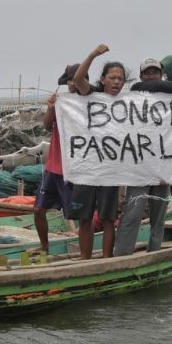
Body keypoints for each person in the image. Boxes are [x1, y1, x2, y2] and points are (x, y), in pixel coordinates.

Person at [113, 58, 172, 256]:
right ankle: (121, 255)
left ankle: (155, 254)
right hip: (140, 168)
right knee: (132, 214)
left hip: (164, 167)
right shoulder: (138, 90)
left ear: (162, 74)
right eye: (147, 72)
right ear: (141, 76)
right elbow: (156, 85)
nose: (151, 76)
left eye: (155, 72)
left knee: (159, 216)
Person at [70, 44, 126, 259]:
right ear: (103, 79)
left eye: (120, 78)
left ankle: (106, 260)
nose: (116, 82)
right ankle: (85, 260)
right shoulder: (91, 95)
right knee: (84, 217)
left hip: (110, 169)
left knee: (108, 217)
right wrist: (93, 54)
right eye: (112, 77)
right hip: (86, 166)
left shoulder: (127, 103)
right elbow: (77, 80)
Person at [32, 64, 84, 251]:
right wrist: (51, 108)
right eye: (69, 80)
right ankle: (44, 246)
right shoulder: (62, 101)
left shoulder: (90, 103)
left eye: (75, 79)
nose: (71, 83)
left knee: (80, 214)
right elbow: (47, 126)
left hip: (75, 169)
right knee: (38, 209)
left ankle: (84, 247)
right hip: (53, 167)